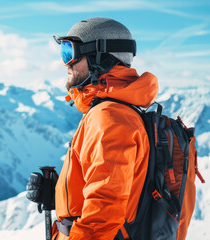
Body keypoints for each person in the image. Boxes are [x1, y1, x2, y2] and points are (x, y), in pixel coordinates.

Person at [32, 17, 159, 239]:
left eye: (70, 52)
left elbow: (103, 214)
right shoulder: (111, 111)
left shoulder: (110, 118)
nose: (66, 64)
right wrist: (62, 196)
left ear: (100, 57)